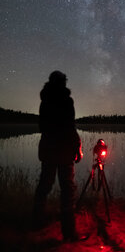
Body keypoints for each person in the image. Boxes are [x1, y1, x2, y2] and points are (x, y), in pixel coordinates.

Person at [32, 71, 84, 241]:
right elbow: (70, 126)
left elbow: (43, 127)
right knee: (68, 189)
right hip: (63, 150)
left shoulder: (44, 101)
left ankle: (37, 221)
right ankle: (69, 233)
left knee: (44, 185)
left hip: (48, 148)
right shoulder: (66, 101)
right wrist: (77, 147)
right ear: (62, 83)